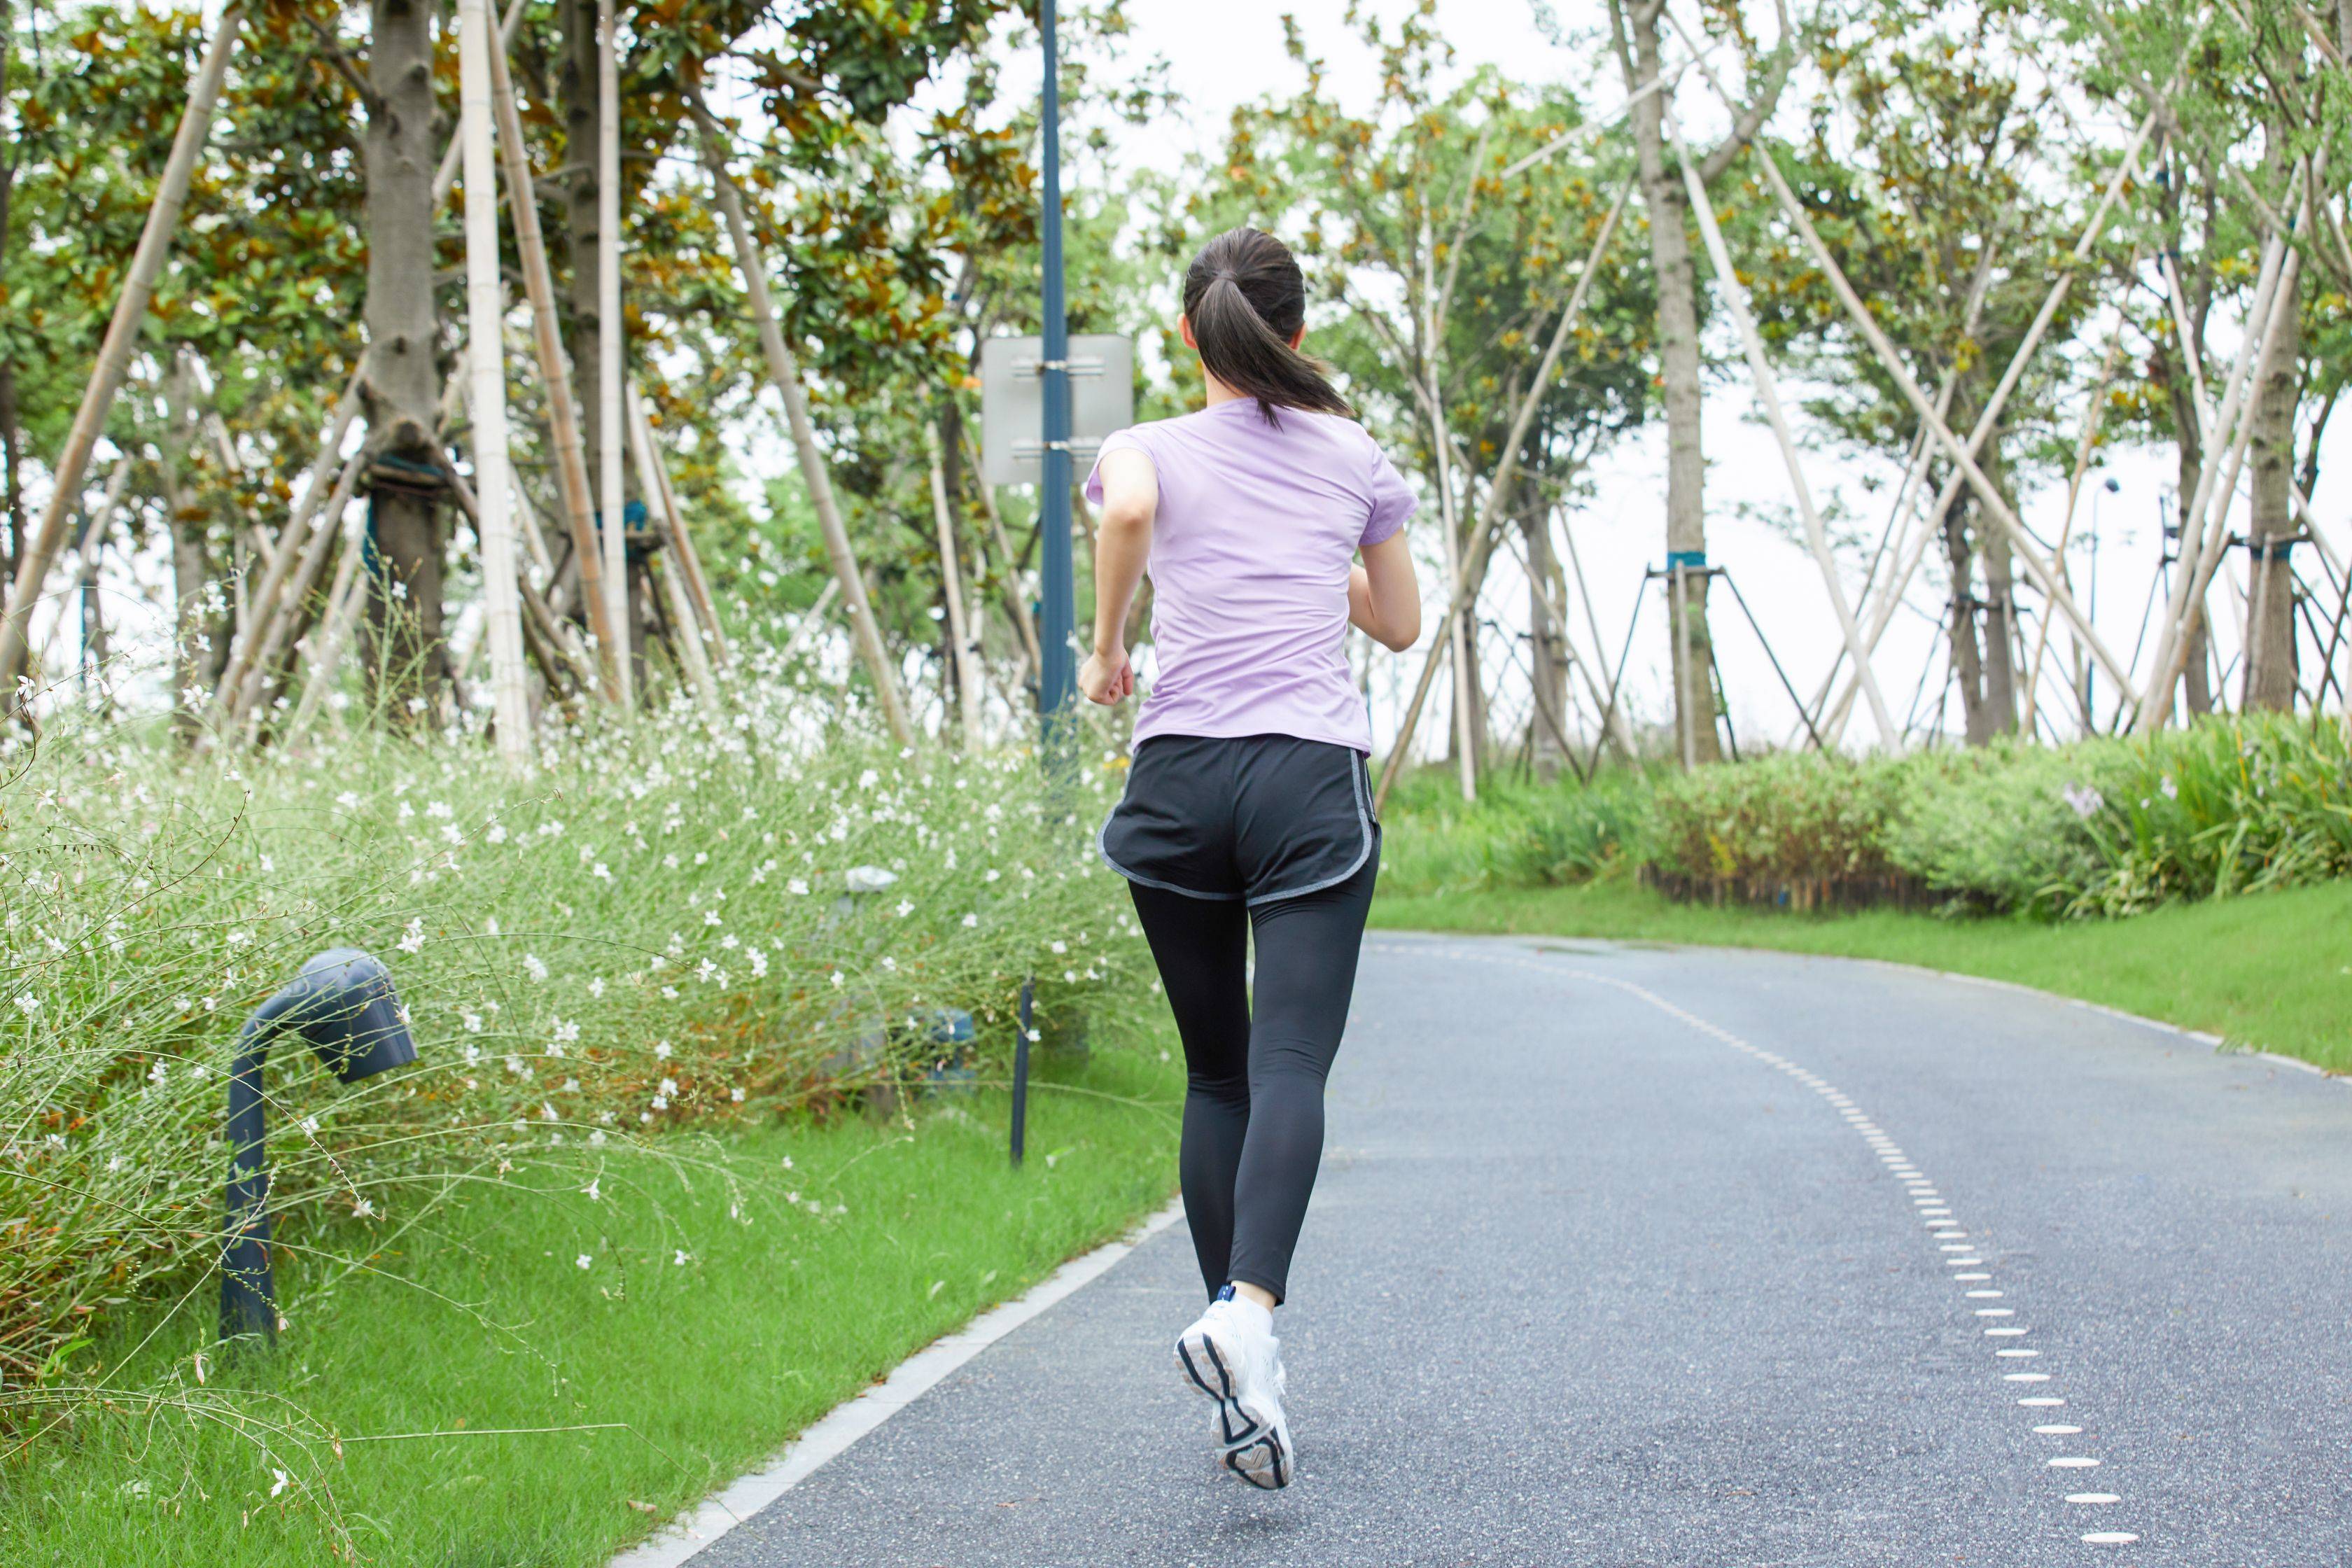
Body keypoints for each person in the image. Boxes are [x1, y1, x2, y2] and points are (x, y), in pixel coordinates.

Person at [1079, 226, 1422, 1491]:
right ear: (1295, 332)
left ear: (1191, 336)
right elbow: (1399, 624)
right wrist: (1315, 565)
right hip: (1302, 782)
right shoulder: (1356, 456)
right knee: (1287, 1063)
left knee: (1214, 1075)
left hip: (1177, 784)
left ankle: (1248, 1384)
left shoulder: (1145, 446)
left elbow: (1125, 509)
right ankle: (1251, 1314)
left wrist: (1110, 644)